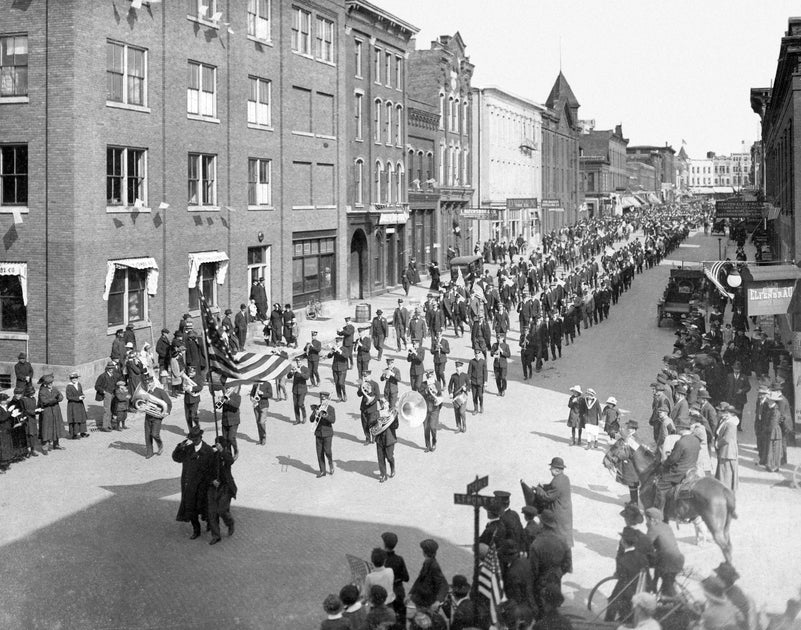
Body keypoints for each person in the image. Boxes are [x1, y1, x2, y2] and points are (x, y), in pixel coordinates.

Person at [172, 425, 214, 540]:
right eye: (192, 439)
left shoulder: (208, 450)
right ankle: (196, 530)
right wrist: (179, 448)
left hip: (202, 486)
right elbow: (176, 458)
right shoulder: (188, 449)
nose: (194, 441)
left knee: (204, 508)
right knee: (190, 509)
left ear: (201, 437)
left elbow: (212, 469)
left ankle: (210, 523)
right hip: (189, 485)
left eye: (196, 439)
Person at [653, 418, 701, 513]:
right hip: (691, 469)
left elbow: (672, 459)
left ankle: (658, 511)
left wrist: (664, 463)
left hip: (678, 472)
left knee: (660, 486)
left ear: (681, 429)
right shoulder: (696, 440)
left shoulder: (681, 442)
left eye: (678, 428)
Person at [529, 509, 572, 611]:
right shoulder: (563, 540)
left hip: (540, 583)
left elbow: (533, 569)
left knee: (542, 610)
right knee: (554, 607)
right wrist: (559, 572)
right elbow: (568, 563)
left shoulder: (536, 544)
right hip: (556, 580)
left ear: (542, 525)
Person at [605, 527, 650, 623]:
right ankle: (626, 620)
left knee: (613, 601)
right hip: (639, 588)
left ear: (624, 542)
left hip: (626, 587)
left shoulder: (624, 558)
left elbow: (619, 574)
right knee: (626, 607)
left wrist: (620, 551)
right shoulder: (642, 556)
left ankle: (608, 623)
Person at [644, 507, 684, 597]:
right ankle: (655, 584)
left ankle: (678, 604)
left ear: (652, 519)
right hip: (676, 559)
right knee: (666, 587)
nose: (646, 522)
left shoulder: (653, 528)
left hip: (668, 563)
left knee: (668, 591)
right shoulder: (666, 526)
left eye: (646, 519)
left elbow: (646, 544)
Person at [534, 457, 574, 547]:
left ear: (556, 470)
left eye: (551, 468)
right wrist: (544, 486)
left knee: (557, 533)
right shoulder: (564, 478)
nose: (550, 470)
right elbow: (553, 488)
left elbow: (548, 497)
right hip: (565, 511)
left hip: (558, 512)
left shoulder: (557, 481)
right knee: (564, 532)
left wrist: (538, 489)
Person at [207, 435, 237, 545]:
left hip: (226, 487)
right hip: (214, 487)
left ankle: (230, 523)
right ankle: (216, 535)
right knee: (212, 512)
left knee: (222, 510)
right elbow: (206, 472)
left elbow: (230, 461)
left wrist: (222, 451)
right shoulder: (213, 456)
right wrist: (212, 481)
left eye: (220, 446)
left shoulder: (226, 455)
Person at [409, 539, 449, 616]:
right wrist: (410, 593)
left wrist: (438, 601)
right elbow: (420, 579)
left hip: (428, 604)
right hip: (423, 602)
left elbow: (444, 585)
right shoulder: (428, 562)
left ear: (424, 552)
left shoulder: (434, 566)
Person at [381, 532, 409, 624]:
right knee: (401, 619)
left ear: (384, 544)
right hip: (399, 592)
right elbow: (406, 578)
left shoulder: (381, 560)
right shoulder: (399, 559)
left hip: (386, 593)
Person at [142, 373, 171, 458]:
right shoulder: (145, 393)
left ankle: (160, 444)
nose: (148, 385)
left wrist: (167, 412)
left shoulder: (160, 391)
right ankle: (149, 452)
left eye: (150, 383)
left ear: (153, 382)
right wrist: (142, 406)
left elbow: (168, 403)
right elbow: (141, 402)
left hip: (157, 416)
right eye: (147, 383)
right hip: (148, 416)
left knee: (154, 434)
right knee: (147, 435)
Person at [715, 403, 740, 492]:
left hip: (728, 451)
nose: (724, 414)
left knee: (725, 472)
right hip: (726, 451)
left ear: (730, 414)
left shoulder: (731, 424)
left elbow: (726, 439)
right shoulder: (728, 421)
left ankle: (725, 490)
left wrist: (718, 444)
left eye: (726, 412)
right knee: (724, 472)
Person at [38, 374, 65, 453]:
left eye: (52, 383)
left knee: (56, 426)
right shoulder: (42, 391)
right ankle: (45, 447)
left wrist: (57, 398)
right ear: (45, 384)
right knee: (46, 428)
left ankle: (56, 444)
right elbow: (45, 401)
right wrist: (55, 399)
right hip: (47, 412)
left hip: (56, 410)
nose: (51, 385)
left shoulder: (55, 389)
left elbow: (61, 397)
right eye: (49, 383)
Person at [371, 403, 397, 483]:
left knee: (389, 457)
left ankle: (392, 467)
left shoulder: (392, 413)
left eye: (385, 402)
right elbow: (370, 422)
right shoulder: (377, 413)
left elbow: (396, 426)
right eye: (382, 403)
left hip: (389, 439)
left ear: (388, 404)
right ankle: (383, 475)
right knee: (380, 458)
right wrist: (376, 422)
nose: (383, 404)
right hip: (379, 439)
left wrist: (394, 418)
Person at [312, 392, 335, 478]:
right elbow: (311, 420)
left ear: (328, 400)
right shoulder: (317, 407)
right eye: (321, 399)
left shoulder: (331, 409)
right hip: (318, 433)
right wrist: (315, 413)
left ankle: (330, 462)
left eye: (324, 399)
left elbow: (333, 420)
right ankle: (322, 471)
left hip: (328, 433)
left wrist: (325, 416)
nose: (322, 401)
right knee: (319, 453)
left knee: (327, 451)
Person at [421, 371, 443, 453]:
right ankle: (427, 445)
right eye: (428, 376)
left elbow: (440, 395)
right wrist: (426, 391)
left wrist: (435, 392)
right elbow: (419, 395)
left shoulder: (437, 383)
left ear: (433, 376)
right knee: (426, 428)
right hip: (425, 409)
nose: (430, 378)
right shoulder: (423, 384)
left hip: (434, 409)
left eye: (431, 376)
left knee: (433, 427)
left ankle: (434, 442)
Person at [94, 361, 119, 432]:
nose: (111, 369)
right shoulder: (102, 376)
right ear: (107, 368)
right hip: (107, 394)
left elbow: (116, 383)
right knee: (106, 410)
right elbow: (96, 386)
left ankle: (109, 425)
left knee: (112, 410)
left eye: (112, 368)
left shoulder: (114, 375)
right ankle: (105, 426)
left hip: (113, 393)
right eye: (109, 368)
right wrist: (103, 391)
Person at [448, 361, 470, 433]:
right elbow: (450, 386)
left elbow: (469, 385)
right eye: (457, 367)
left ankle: (464, 425)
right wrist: (450, 393)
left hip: (463, 396)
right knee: (457, 412)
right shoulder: (453, 376)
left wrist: (465, 388)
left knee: (461, 412)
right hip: (456, 397)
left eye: (459, 367)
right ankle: (458, 426)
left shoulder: (465, 375)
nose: (458, 368)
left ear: (462, 367)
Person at [220, 385, 241, 459]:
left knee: (231, 438)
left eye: (229, 388)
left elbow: (236, 405)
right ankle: (229, 454)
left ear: (233, 388)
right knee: (225, 439)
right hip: (225, 420)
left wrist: (228, 400)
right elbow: (218, 406)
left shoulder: (237, 396)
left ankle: (236, 450)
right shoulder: (223, 396)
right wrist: (219, 401)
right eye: (226, 388)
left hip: (234, 421)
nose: (227, 389)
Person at [65, 371, 88, 439]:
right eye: (73, 378)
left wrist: (82, 395)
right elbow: (68, 397)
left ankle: (82, 432)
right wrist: (78, 398)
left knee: (82, 417)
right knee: (74, 419)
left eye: (76, 378)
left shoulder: (79, 384)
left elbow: (81, 392)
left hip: (80, 404)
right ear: (70, 379)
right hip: (73, 405)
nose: (75, 379)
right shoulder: (69, 386)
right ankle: (74, 434)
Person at [249, 380, 272, 446]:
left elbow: (270, 395)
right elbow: (252, 394)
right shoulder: (256, 384)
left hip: (264, 405)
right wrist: (252, 398)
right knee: (258, 423)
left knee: (262, 422)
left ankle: (264, 437)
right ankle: (260, 439)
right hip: (256, 405)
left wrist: (263, 393)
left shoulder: (268, 384)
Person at [328, 336, 349, 402]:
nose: (337, 343)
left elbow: (346, 356)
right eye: (336, 342)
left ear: (341, 342)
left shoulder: (344, 349)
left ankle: (344, 394)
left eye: (339, 342)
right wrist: (331, 351)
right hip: (335, 368)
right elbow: (329, 356)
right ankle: (339, 396)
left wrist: (339, 350)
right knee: (337, 383)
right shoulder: (335, 349)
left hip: (342, 369)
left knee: (341, 383)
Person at [290, 357, 310, 425]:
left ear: (302, 362)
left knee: (300, 404)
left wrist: (299, 372)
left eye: (299, 362)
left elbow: (306, 377)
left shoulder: (306, 369)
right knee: (295, 405)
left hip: (302, 390)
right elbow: (288, 376)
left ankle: (304, 416)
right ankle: (297, 419)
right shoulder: (294, 368)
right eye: (297, 362)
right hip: (295, 390)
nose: (298, 363)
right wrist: (292, 372)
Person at [182, 366, 202, 431]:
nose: (190, 374)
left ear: (195, 372)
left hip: (195, 399)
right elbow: (183, 386)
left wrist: (191, 388)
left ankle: (197, 428)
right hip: (187, 399)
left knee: (193, 415)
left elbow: (200, 387)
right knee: (188, 417)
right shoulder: (186, 378)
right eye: (189, 372)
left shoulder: (198, 378)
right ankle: (191, 431)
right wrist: (184, 388)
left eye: (192, 372)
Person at [467, 349, 487, 415]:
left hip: (480, 382)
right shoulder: (472, 362)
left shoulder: (483, 362)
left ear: (480, 354)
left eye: (478, 354)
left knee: (480, 396)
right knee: (474, 396)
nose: (477, 355)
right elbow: (469, 372)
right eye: (476, 354)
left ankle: (481, 406)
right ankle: (475, 409)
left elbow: (485, 372)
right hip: (473, 382)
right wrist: (468, 380)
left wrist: (485, 382)